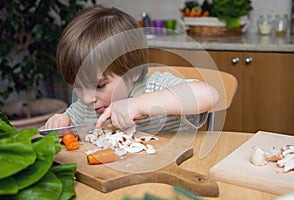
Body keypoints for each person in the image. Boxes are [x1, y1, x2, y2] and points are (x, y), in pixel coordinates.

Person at [44, 5, 219, 133]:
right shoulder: (85, 108)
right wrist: (62, 122)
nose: (87, 98)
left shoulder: (156, 86)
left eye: (99, 86)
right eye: (78, 86)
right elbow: (66, 125)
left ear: (133, 71)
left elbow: (208, 94)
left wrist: (139, 104)